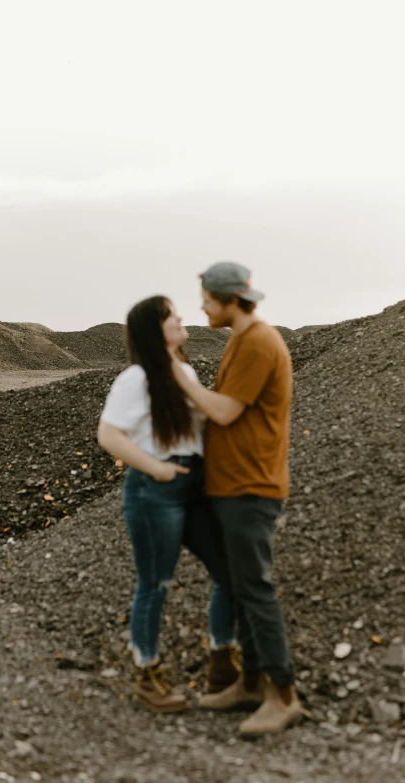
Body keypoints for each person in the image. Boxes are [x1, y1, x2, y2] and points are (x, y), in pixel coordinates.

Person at [170, 261, 305, 737]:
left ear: (228, 298)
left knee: (255, 588)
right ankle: (250, 683)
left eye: (206, 297)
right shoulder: (243, 341)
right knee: (240, 585)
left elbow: (225, 411)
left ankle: (284, 695)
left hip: (252, 485)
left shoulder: (259, 342)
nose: (202, 306)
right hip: (233, 484)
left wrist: (179, 377)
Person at [97, 295, 239, 714]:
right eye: (170, 315)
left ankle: (221, 663)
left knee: (230, 570)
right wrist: (156, 469)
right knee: (156, 584)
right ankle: (147, 674)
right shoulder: (136, 378)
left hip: (193, 486)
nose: (181, 318)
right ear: (153, 328)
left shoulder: (186, 371)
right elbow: (109, 435)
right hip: (154, 489)